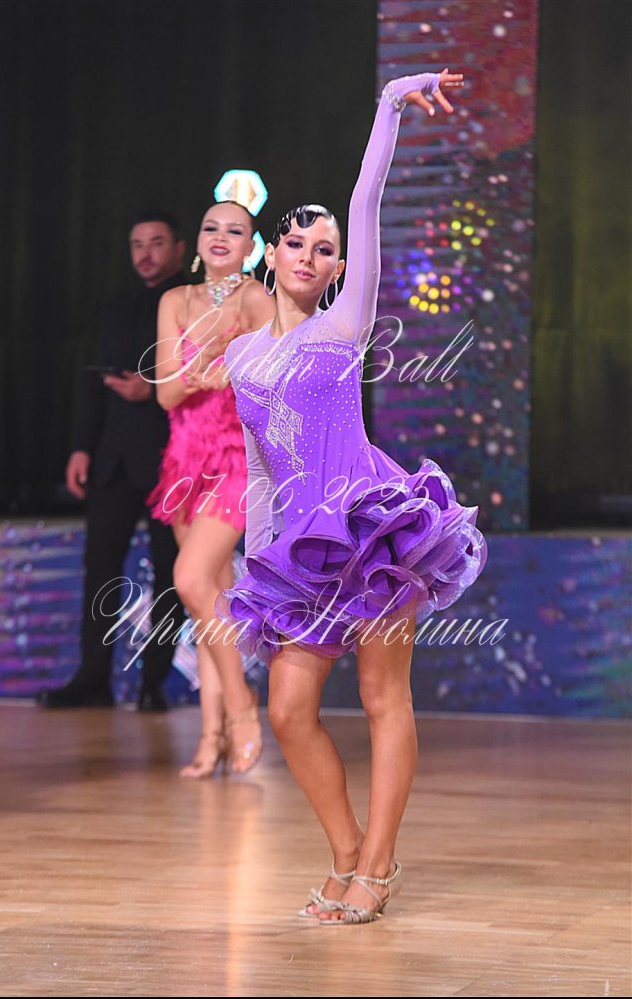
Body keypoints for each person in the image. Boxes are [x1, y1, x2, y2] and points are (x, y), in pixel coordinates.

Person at [215, 70, 487, 923]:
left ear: (337, 266)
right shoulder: (241, 357)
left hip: (372, 530)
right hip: (297, 546)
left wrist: (390, 104)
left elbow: (366, 199)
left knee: (381, 699)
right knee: (290, 709)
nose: (309, 254)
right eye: (295, 242)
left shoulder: (345, 326)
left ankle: (377, 865)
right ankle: (346, 853)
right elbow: (261, 468)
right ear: (270, 254)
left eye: (325, 248)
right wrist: (259, 552)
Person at [37, 211, 187, 712]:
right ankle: (93, 678)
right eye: (137, 244)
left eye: (156, 242)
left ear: (180, 249)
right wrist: (82, 447)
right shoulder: (116, 308)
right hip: (113, 458)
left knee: (170, 575)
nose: (145, 253)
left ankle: (153, 683)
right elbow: (94, 384)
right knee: (99, 569)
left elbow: (207, 377)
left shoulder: (192, 302)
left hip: (171, 458)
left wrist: (154, 388)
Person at [148, 200, 276, 775]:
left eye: (235, 230)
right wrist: (202, 364)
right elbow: (166, 393)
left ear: (250, 247)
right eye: (211, 227)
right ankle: (210, 736)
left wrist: (235, 363)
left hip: (236, 460)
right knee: (208, 603)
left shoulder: (255, 298)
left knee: (191, 579)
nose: (221, 237)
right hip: (183, 462)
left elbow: (278, 374)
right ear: (197, 241)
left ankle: (244, 710)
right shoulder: (175, 301)